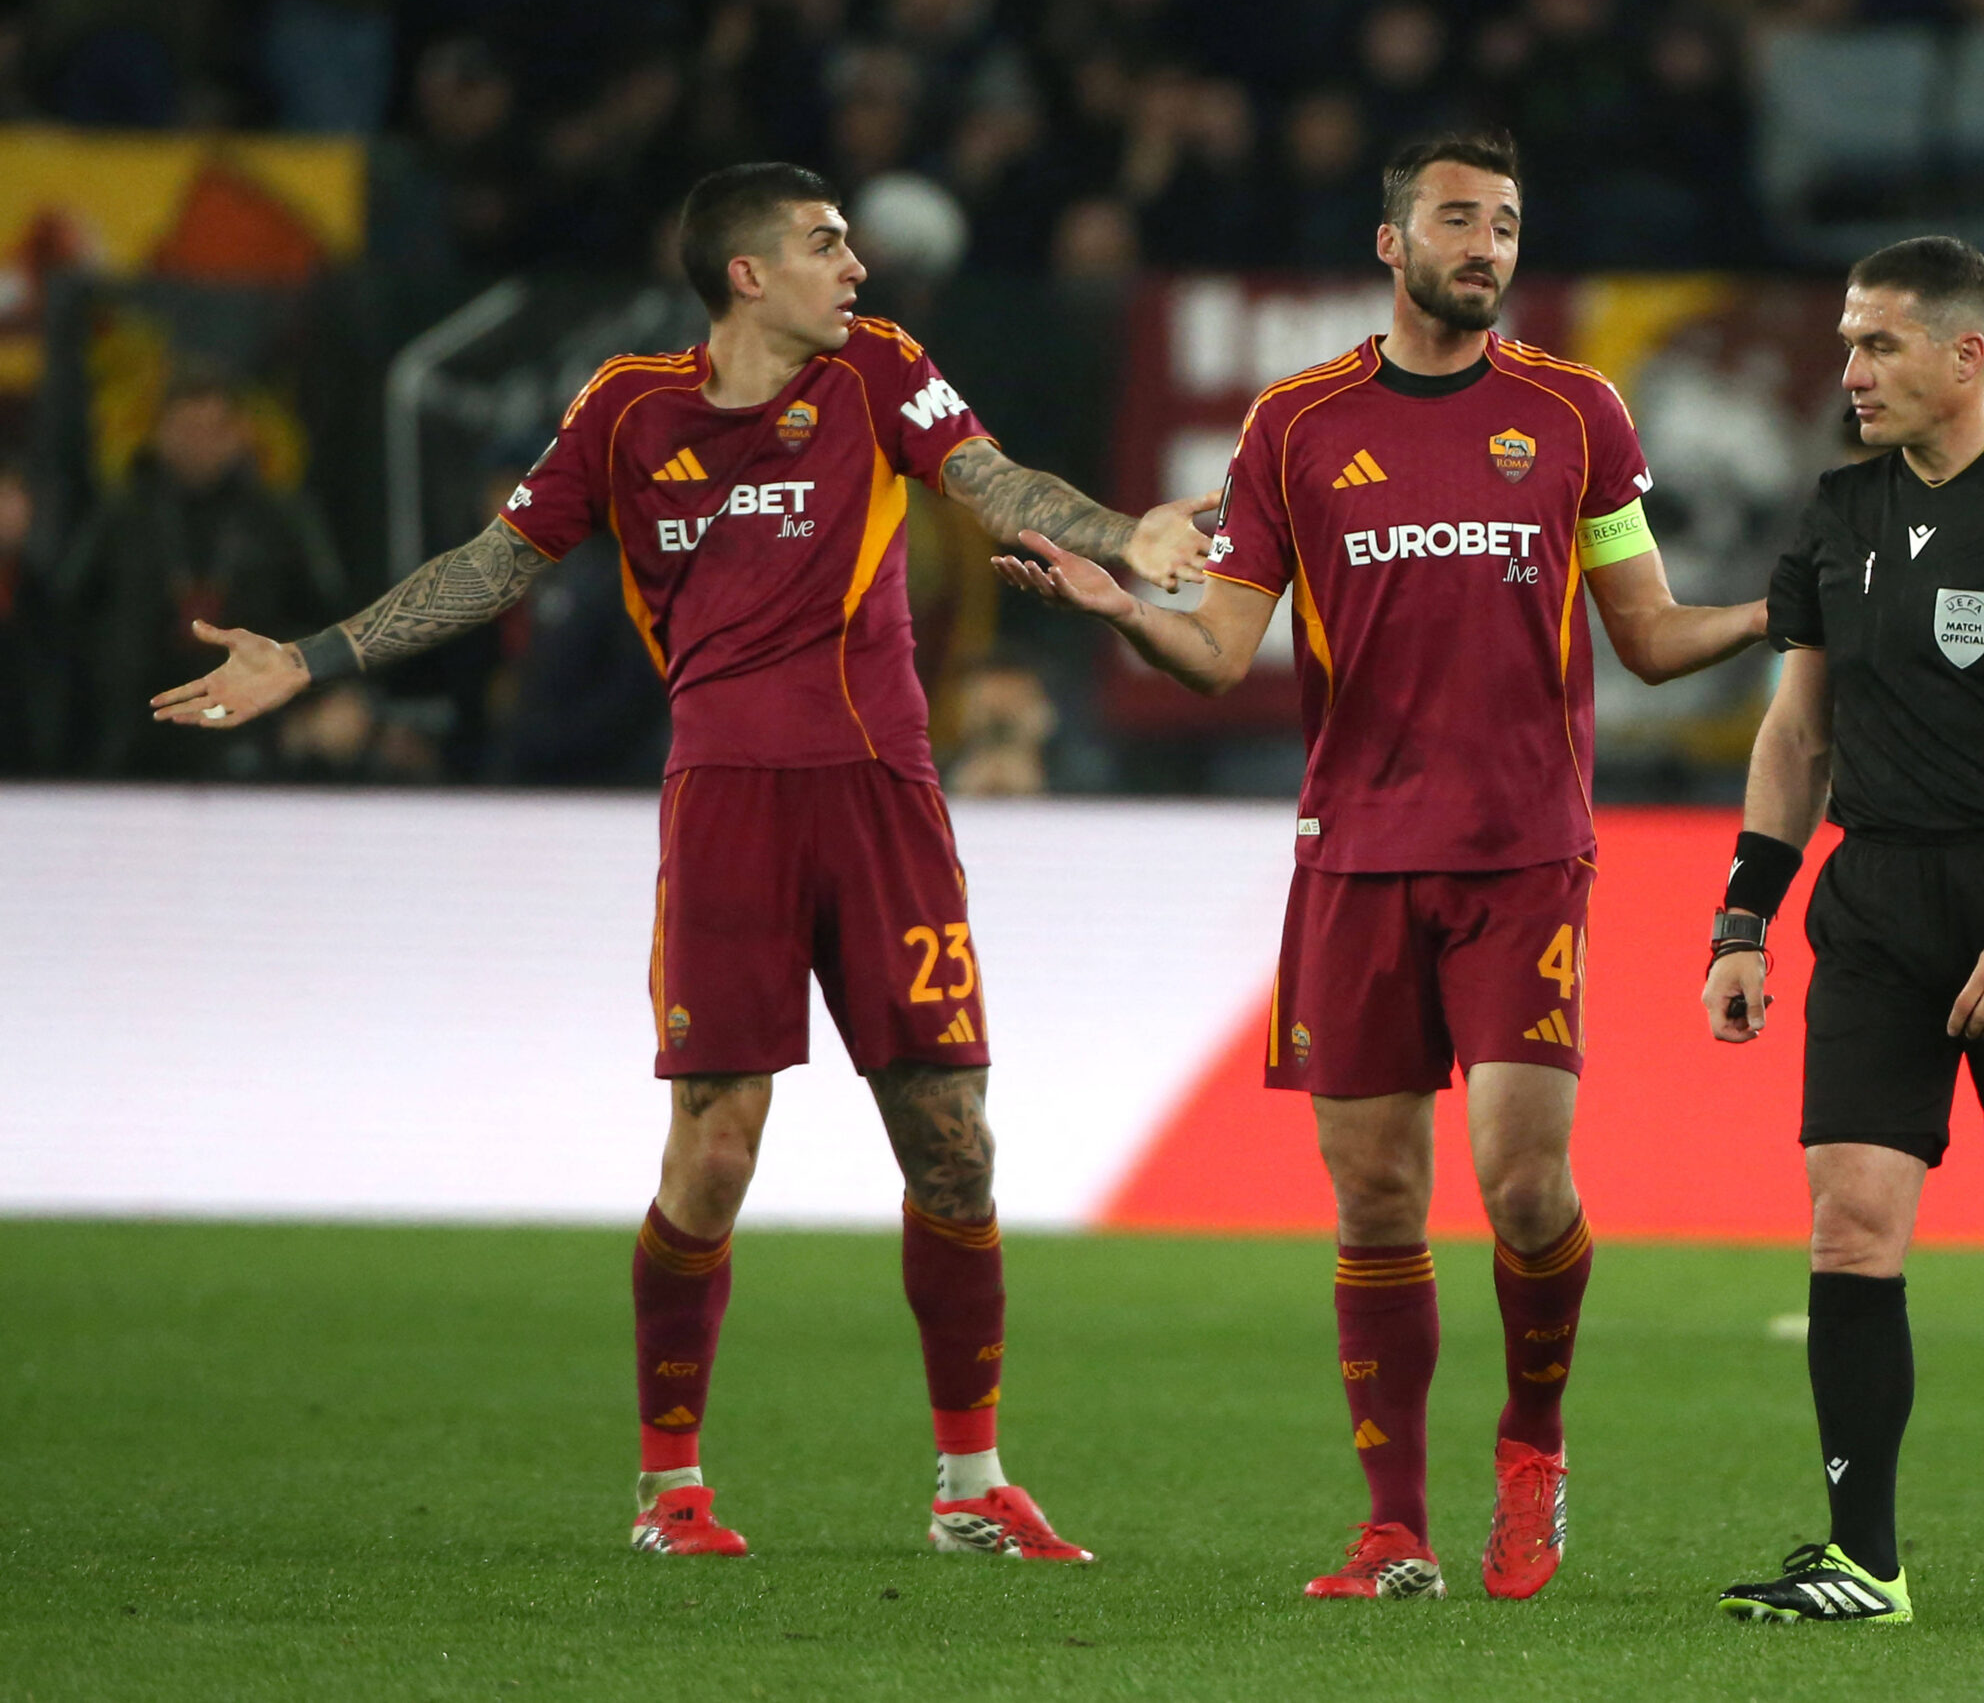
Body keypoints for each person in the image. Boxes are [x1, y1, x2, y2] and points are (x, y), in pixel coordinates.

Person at [150, 161, 1215, 1563]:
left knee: (953, 1143)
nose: (860, 269)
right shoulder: (628, 409)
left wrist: (1119, 530)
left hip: (885, 797)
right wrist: (311, 654)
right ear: (747, 274)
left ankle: (972, 1483)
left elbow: (991, 476)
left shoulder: (879, 371)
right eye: (828, 246)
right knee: (715, 1146)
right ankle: (671, 1485)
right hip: (726, 807)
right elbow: (492, 563)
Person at [996, 132, 1765, 1602]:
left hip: (1526, 852)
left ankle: (1531, 1455)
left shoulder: (1579, 412)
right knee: (1375, 1204)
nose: (1488, 246)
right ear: (1390, 243)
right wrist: (1120, 608)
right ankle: (1393, 1525)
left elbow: (1652, 635)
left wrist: (1780, 610)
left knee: (1526, 1181)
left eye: (1509, 225)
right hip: (1351, 858)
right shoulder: (1293, 424)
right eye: (1460, 220)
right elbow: (1223, 647)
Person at [1702, 237, 1984, 1625]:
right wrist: (1744, 914)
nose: (1851, 371)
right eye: (1847, 342)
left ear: (1970, 355)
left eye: (1880, 344)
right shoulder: (1835, 510)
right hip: (1879, 902)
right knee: (1851, 1215)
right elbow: (1799, 731)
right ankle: (1863, 1555)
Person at [57, 370, 344, 778]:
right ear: (160, 433)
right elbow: (69, 614)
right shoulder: (122, 517)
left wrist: (330, 699)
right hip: (133, 730)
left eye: (215, 429)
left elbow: (327, 616)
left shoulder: (281, 519)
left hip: (257, 729)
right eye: (188, 429)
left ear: (239, 434)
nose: (201, 444)